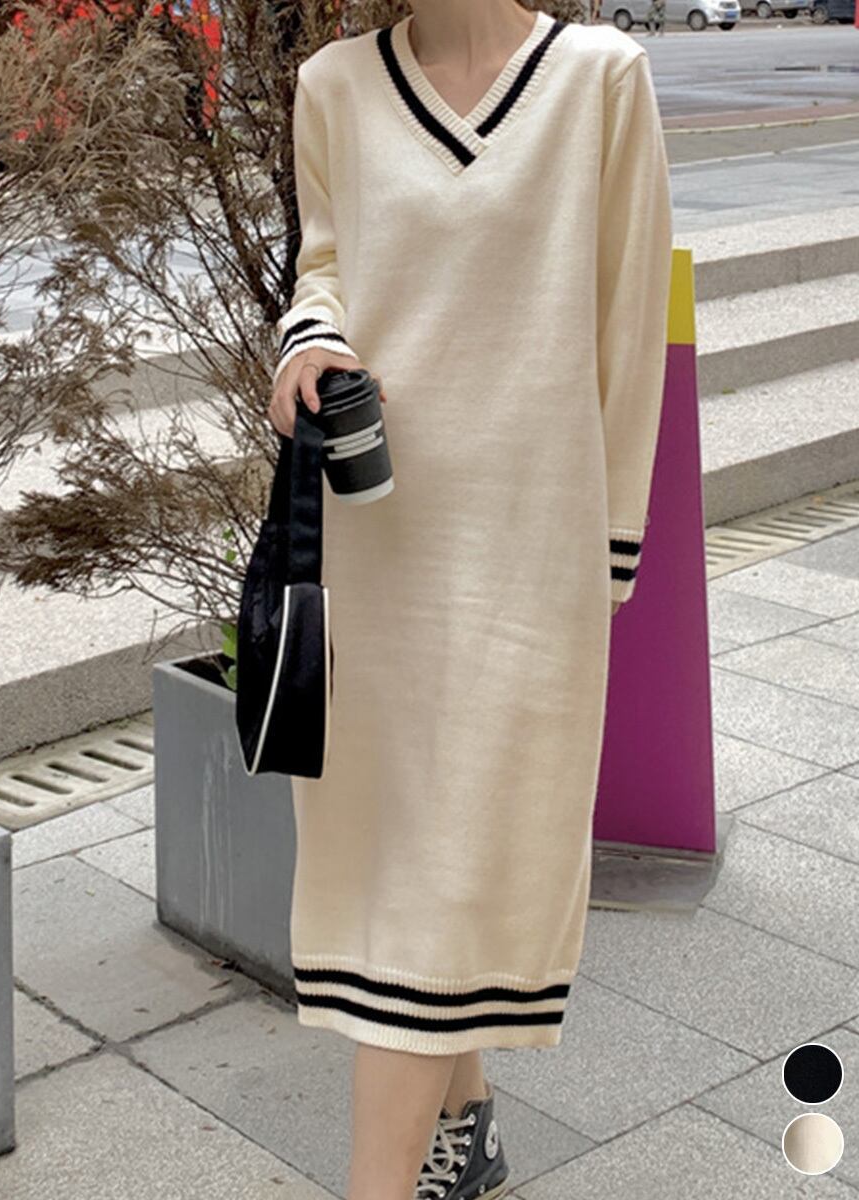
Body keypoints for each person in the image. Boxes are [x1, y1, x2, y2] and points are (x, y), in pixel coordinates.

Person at [267, 3, 673, 1198]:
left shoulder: (601, 78)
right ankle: (467, 1119)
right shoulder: (333, 84)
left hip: (527, 557)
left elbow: (628, 331)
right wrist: (308, 339)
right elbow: (325, 265)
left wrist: (605, 554)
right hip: (377, 546)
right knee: (409, 867)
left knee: (451, 867)